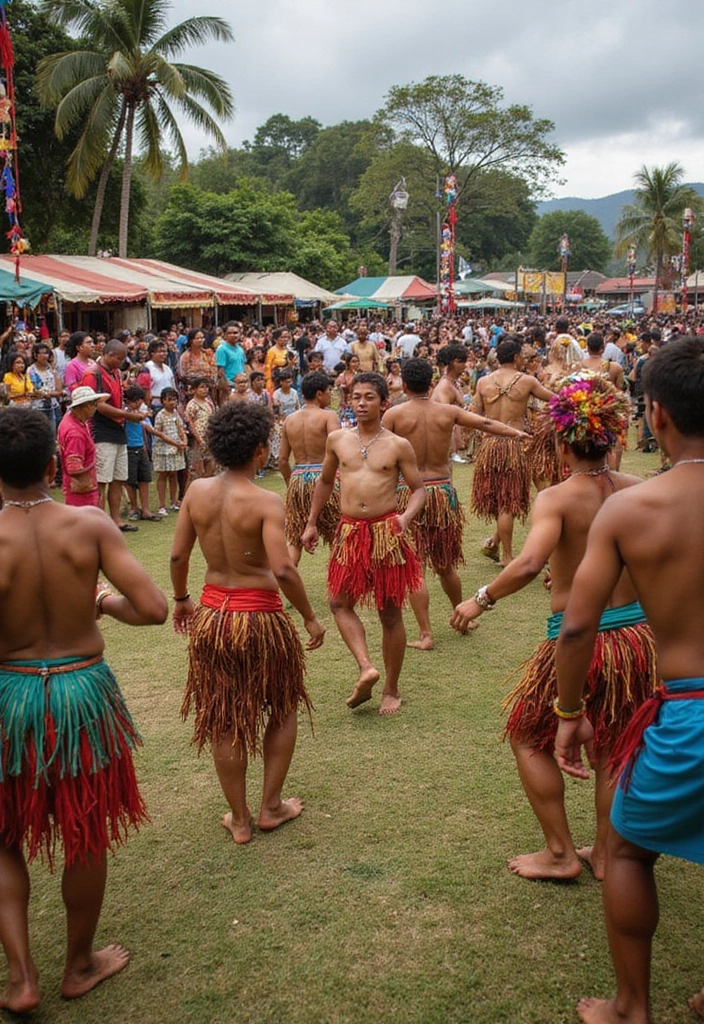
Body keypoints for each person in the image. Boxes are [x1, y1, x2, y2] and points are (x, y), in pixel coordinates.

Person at [452, 374, 657, 881]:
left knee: (527, 735)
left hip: (579, 636)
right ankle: (607, 855)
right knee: (614, 744)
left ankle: (562, 854)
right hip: (635, 639)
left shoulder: (558, 498)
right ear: (611, 438)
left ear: (563, 441)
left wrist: (481, 599)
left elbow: (526, 564)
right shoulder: (640, 491)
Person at [554, 338, 704, 1024]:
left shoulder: (633, 508)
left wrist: (567, 710)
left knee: (626, 850)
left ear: (657, 416)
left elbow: (579, 626)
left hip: (691, 709)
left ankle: (630, 1007)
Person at [0, 406, 167, 1013]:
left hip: (8, 695)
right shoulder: (90, 523)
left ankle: (22, 978)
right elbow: (151, 608)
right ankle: (77, 963)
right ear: (52, 464)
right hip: (81, 691)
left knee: (1, 837)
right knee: (85, 833)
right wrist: (100, 598)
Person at [170, 401, 325, 846]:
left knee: (225, 716)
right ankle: (271, 806)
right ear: (260, 449)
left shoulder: (196, 491)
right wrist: (311, 618)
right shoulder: (264, 500)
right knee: (281, 705)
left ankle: (239, 819)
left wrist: (182, 599)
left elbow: (179, 555)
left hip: (214, 616)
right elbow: (283, 569)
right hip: (260, 619)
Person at [301, 372, 426, 715]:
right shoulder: (337, 440)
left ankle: (391, 688)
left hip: (387, 534)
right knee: (339, 603)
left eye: (369, 397)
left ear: (384, 403)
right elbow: (325, 482)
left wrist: (406, 518)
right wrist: (311, 523)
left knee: (389, 613)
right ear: (349, 401)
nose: (361, 403)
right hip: (349, 533)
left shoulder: (398, 445)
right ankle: (366, 667)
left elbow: (419, 490)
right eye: (356, 397)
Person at [383, 357, 528, 650]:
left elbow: (375, 448)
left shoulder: (394, 415)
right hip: (441, 491)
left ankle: (426, 635)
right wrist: (516, 432)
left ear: (406, 385)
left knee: (416, 567)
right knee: (445, 564)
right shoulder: (447, 411)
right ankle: (464, 616)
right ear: (431, 382)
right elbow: (485, 423)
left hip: (408, 493)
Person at [471, 336, 554, 565]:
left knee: (501, 502)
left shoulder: (483, 382)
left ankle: (495, 545)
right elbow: (553, 400)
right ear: (517, 357)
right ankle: (507, 556)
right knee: (508, 502)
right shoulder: (526, 381)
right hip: (514, 445)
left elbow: (474, 414)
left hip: (490, 447)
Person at [83, 339, 149, 532]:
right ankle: (100, 522)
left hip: (118, 429)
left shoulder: (115, 373)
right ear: (109, 355)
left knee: (118, 478)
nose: (121, 362)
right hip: (101, 430)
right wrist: (128, 415)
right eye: (119, 358)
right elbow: (97, 405)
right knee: (102, 479)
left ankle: (115, 520)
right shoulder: (93, 374)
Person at [278, 370, 341, 565]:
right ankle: (340, 589)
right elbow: (339, 449)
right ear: (320, 393)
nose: (331, 395)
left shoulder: (290, 420)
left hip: (298, 478)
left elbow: (282, 460)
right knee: (337, 534)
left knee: (296, 537)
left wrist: (292, 484)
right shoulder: (328, 416)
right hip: (325, 477)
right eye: (329, 391)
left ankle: (285, 580)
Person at [57, 385, 110, 507]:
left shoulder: (71, 420)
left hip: (77, 488)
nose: (95, 408)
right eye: (93, 404)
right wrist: (93, 466)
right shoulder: (75, 433)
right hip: (82, 492)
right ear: (84, 406)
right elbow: (74, 467)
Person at [152, 387, 187, 515]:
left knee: (174, 475)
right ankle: (162, 505)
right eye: (169, 400)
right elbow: (159, 434)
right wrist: (176, 443)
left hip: (175, 450)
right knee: (163, 476)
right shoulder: (160, 415)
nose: (172, 402)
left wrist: (184, 441)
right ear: (163, 401)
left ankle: (174, 501)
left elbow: (181, 429)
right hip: (163, 450)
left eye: (174, 400)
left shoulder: (176, 413)